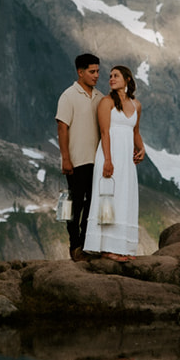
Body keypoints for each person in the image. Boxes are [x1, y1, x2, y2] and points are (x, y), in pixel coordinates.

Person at [82, 65, 144, 261]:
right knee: (108, 198)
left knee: (125, 198)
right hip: (110, 156)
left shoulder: (136, 105)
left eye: (116, 76)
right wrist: (107, 160)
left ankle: (123, 247)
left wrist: (141, 149)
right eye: (109, 76)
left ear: (127, 79)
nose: (111, 78)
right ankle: (107, 248)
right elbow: (104, 132)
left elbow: (135, 131)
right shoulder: (106, 102)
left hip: (127, 160)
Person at [56, 53, 104, 262]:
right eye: (92, 72)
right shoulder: (68, 95)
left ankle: (86, 245)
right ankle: (74, 246)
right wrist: (66, 158)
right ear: (80, 72)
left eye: (98, 71)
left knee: (93, 204)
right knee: (75, 205)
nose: (96, 76)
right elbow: (62, 127)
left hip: (96, 161)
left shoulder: (100, 97)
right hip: (76, 161)